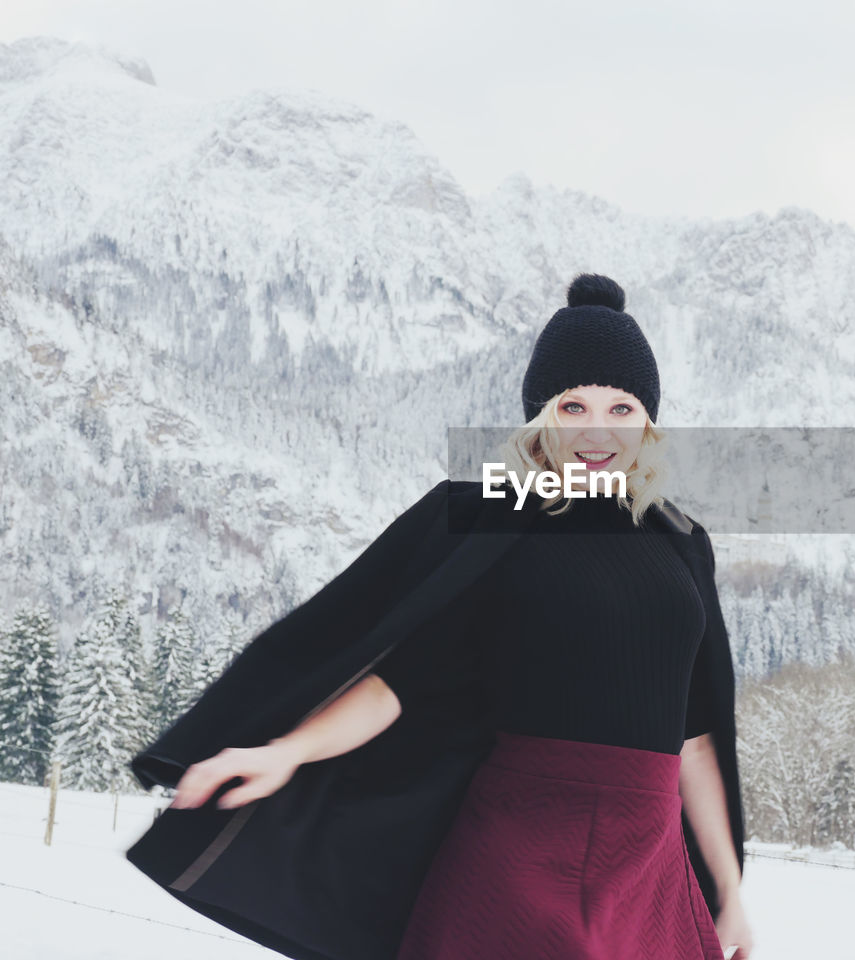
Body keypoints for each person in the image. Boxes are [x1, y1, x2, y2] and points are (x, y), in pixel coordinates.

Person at [132, 274, 755, 960]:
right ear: (541, 418)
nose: (597, 430)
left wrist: (728, 891)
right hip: (518, 850)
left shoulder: (681, 543)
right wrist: (286, 750)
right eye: (573, 406)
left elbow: (696, 740)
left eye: (622, 407)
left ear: (649, 420)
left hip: (649, 865)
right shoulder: (499, 522)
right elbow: (401, 683)